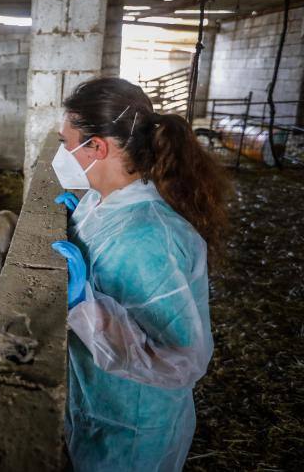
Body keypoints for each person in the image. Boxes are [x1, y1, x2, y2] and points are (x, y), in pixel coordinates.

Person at [49, 78, 231, 472]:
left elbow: (181, 360)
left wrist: (84, 306)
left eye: (65, 143)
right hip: (97, 401)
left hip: (132, 426)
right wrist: (72, 223)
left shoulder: (148, 237)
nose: (61, 152)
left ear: (97, 146)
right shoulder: (100, 202)